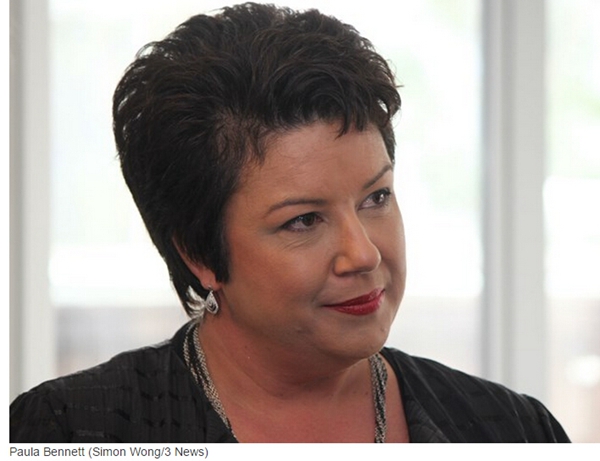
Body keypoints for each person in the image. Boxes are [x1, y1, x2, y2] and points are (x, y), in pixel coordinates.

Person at [10, 2, 569, 443]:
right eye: (303, 221)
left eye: (376, 197)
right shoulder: (72, 430)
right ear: (199, 254)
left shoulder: (512, 429)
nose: (364, 254)